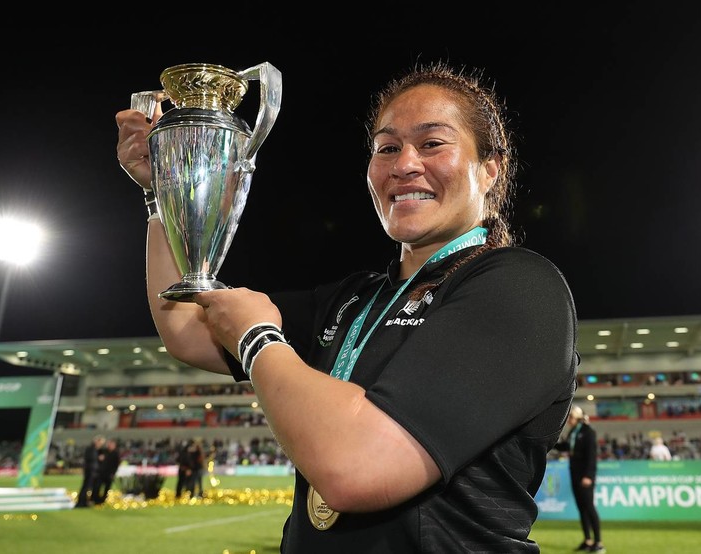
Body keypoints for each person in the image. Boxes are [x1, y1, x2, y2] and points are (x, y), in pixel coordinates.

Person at [116, 61, 579, 552]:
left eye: (432, 143)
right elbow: (185, 328)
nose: (404, 164)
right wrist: (163, 189)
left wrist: (258, 342)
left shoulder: (520, 288)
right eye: (387, 147)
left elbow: (360, 469)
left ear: (491, 168)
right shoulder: (353, 298)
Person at [554, 405, 605, 553]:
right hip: (575, 474)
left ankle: (599, 542)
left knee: (589, 507)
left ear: (577, 418)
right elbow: (566, 447)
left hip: (585, 476)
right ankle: (588, 540)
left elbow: (591, 456)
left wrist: (589, 476)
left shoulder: (588, 432)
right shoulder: (573, 432)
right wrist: (551, 444)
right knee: (581, 508)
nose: (569, 419)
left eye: (571, 417)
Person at [75, 435, 105, 508]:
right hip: (90, 471)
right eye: (100, 442)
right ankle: (81, 502)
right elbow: (91, 460)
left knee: (87, 487)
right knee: (86, 487)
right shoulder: (91, 449)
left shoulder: (94, 449)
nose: (100, 444)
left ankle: (83, 501)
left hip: (91, 471)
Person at [94, 438, 121, 505]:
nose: (110, 446)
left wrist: (113, 473)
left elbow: (116, 465)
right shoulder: (104, 451)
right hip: (101, 473)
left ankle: (103, 500)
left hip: (109, 474)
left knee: (107, 488)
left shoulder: (116, 453)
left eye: (111, 444)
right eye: (109, 444)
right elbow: (97, 452)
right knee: (97, 486)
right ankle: (96, 499)